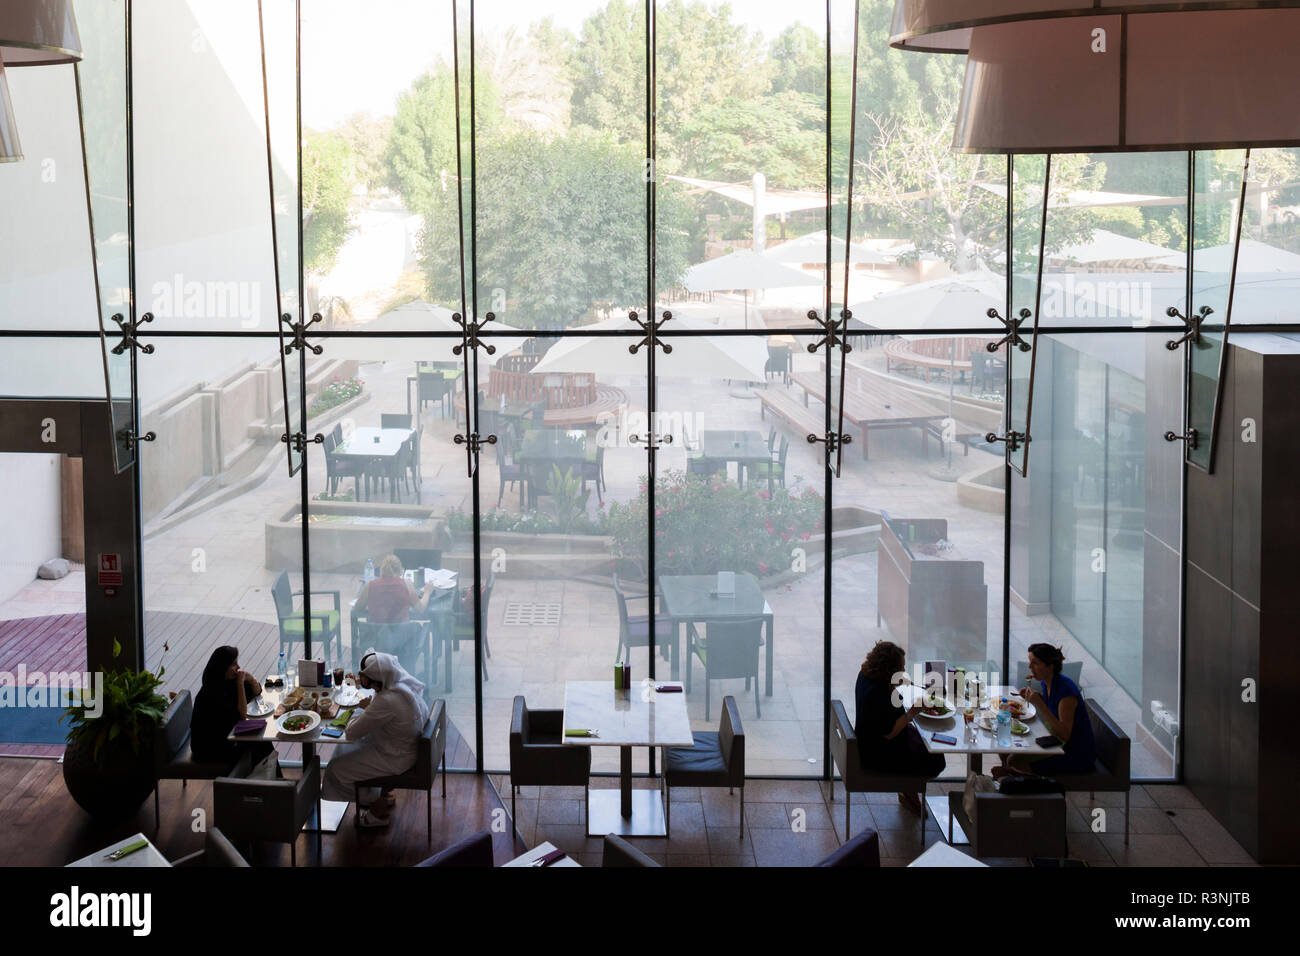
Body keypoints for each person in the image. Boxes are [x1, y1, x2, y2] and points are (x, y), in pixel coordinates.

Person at [321, 649, 430, 826]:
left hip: (395, 757)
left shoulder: (387, 700)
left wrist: (362, 709)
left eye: (364, 675)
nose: (360, 676)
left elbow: (352, 731)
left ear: (375, 679)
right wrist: (369, 705)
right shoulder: (401, 686)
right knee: (341, 751)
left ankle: (375, 807)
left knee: (335, 769)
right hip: (406, 747)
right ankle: (380, 794)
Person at [855, 640, 946, 814]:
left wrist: (896, 685)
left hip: (867, 742)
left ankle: (908, 788)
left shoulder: (866, 676)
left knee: (923, 740)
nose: (904, 671)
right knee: (936, 759)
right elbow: (889, 732)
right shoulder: (879, 693)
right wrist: (913, 712)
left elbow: (881, 716)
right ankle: (908, 786)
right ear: (890, 669)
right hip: (880, 755)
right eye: (901, 667)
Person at [995, 643, 1096, 778]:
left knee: (1014, 760)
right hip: (1056, 743)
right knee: (1005, 751)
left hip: (1074, 753)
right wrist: (1038, 697)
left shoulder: (1066, 692)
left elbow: (1064, 734)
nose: (1030, 666)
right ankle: (1009, 782)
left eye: (1035, 663)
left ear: (1050, 666)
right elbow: (1054, 706)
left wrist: (1040, 704)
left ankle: (1025, 788)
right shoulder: (1047, 682)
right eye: (1030, 661)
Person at [190, 645, 276, 774]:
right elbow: (241, 716)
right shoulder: (211, 693)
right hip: (208, 748)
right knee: (260, 743)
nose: (239, 667)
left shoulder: (226, 681)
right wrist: (240, 684)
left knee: (262, 742)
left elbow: (257, 692)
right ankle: (269, 785)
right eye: (234, 664)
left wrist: (251, 679)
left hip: (225, 738)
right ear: (223, 668)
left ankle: (272, 784)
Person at [354, 554, 431, 624]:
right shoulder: (407, 584)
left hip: (376, 637)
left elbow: (357, 609)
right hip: (402, 638)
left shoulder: (370, 585)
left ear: (382, 570)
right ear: (400, 570)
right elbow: (421, 609)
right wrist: (427, 592)